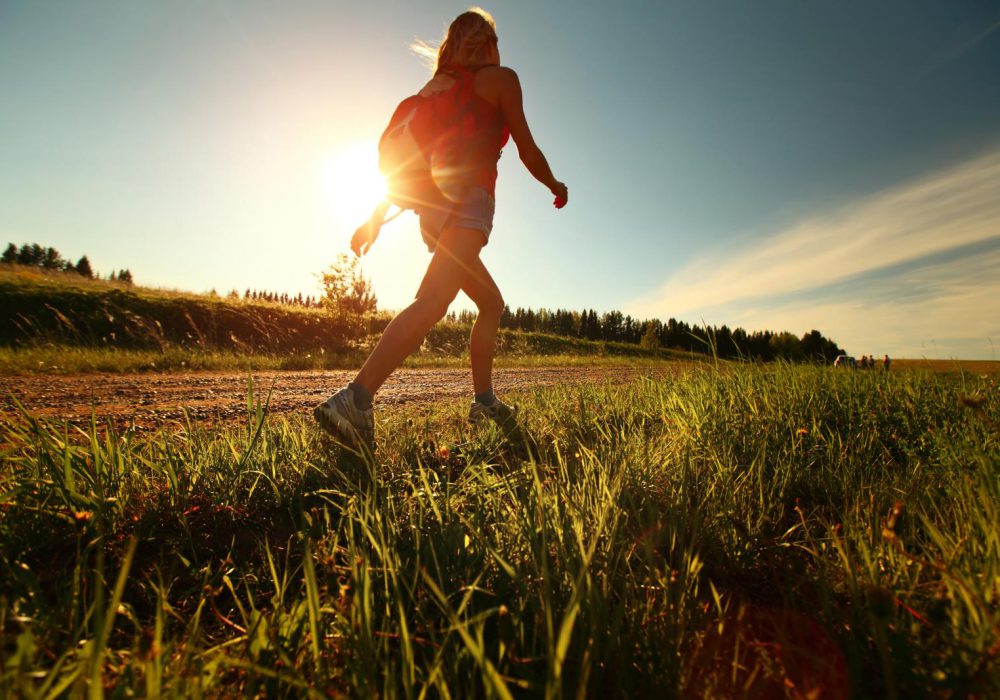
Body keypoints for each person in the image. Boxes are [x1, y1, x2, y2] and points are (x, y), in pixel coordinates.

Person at [314, 8, 568, 448]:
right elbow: (527, 149)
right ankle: (355, 398)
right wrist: (555, 184)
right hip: (468, 206)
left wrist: (373, 220)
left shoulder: (428, 94)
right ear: (486, 44)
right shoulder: (500, 79)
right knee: (432, 301)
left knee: (491, 303)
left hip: (433, 215)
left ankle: (484, 400)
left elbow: (408, 166)